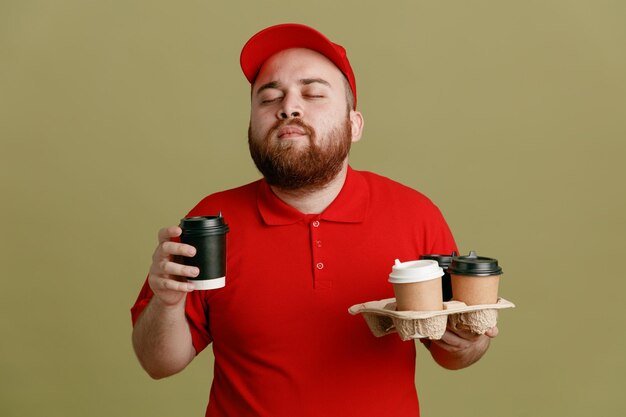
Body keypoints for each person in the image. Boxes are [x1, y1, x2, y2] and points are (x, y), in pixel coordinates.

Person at [131, 23, 498, 417]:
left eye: (313, 93)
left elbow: (453, 354)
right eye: (269, 97)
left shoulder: (415, 214)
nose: (288, 107)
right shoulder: (213, 223)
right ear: (252, 124)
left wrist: (470, 341)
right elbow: (159, 363)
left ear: (354, 125)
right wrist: (167, 303)